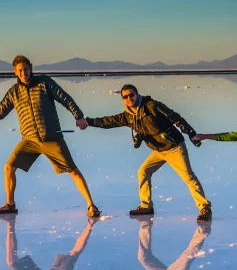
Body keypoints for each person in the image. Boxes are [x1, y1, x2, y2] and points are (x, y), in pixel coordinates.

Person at [0, 55, 100, 218]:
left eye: (25, 69)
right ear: (15, 72)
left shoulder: (44, 82)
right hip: (30, 140)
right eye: (20, 70)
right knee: (9, 168)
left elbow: (65, 98)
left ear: (31, 68)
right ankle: (10, 204)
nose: (23, 73)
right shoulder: (14, 92)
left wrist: (78, 116)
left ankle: (91, 205)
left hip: (52, 138)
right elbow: (0, 112)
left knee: (73, 171)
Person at [84, 84, 211, 221]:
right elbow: (108, 121)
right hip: (158, 150)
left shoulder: (152, 106)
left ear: (137, 94)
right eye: (125, 97)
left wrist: (191, 134)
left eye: (131, 95)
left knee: (188, 177)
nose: (129, 98)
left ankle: (205, 208)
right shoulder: (128, 116)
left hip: (174, 147)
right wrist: (88, 121)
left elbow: (175, 118)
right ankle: (146, 206)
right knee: (143, 171)